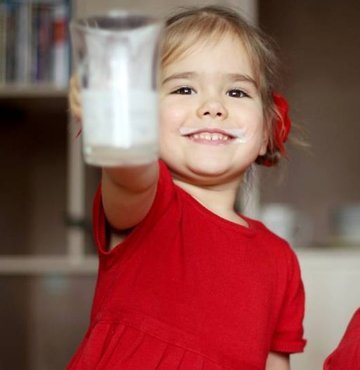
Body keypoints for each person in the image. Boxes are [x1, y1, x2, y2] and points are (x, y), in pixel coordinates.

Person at [67, 6, 306, 370]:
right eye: (184, 88)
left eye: (237, 93)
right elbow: (129, 172)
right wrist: (114, 121)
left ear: (268, 131)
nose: (213, 106)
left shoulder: (280, 260)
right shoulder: (149, 204)